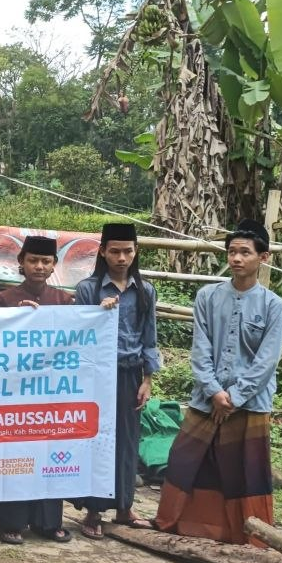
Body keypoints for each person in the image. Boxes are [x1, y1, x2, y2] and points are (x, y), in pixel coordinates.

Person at [155, 220, 282, 545]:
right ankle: (180, 522)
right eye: (232, 252)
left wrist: (235, 397)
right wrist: (214, 392)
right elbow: (199, 349)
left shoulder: (273, 305)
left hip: (250, 403)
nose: (237, 258)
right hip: (206, 398)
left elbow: (266, 360)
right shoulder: (207, 296)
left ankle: (249, 535)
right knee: (184, 459)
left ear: (264, 257)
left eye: (245, 252)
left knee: (245, 470)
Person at [0, 235, 75, 545]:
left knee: (48, 452)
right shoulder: (4, 300)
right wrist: (16, 320)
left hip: (50, 391)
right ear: (21, 262)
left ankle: (49, 522)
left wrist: (103, 311)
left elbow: (76, 339)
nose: (39, 266)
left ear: (54, 266)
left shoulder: (64, 301)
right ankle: (11, 521)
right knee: (15, 453)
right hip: (14, 392)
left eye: (46, 261)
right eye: (33, 260)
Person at [72, 223, 161, 539]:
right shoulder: (89, 289)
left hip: (130, 375)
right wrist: (98, 313)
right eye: (114, 251)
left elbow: (149, 338)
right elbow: (76, 335)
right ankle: (95, 510)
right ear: (102, 252)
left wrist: (147, 379)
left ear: (136, 252)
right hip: (96, 376)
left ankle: (124, 506)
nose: (121, 257)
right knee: (98, 441)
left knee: (127, 441)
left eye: (127, 251)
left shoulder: (146, 291)